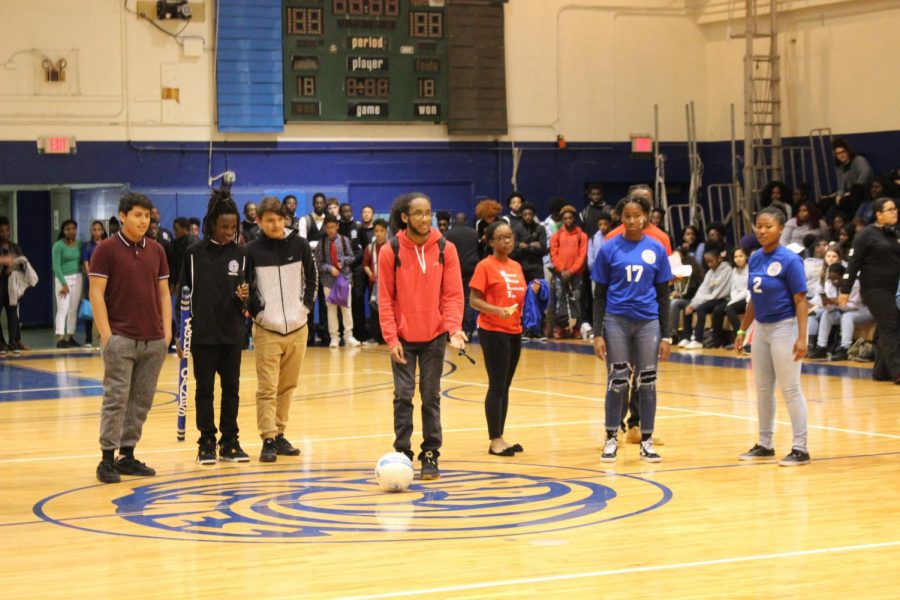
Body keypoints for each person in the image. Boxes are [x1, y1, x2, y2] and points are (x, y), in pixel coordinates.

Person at [378, 192, 466, 480]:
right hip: (403, 337)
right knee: (403, 396)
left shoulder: (445, 248)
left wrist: (453, 327)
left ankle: (431, 453)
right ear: (404, 217)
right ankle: (402, 453)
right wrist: (391, 339)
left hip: (434, 336)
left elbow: (453, 293)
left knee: (431, 397)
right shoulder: (390, 250)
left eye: (428, 212)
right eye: (418, 213)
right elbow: (386, 299)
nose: (425, 218)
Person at [89, 193, 171, 483]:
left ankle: (127, 455)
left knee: (141, 401)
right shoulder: (106, 249)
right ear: (123, 216)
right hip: (121, 338)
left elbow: (164, 293)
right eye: (138, 215)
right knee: (116, 399)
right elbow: (96, 293)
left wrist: (167, 333)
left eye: (147, 216)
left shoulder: (157, 250)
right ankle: (107, 459)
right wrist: (107, 336)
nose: (144, 221)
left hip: (154, 340)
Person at [592, 193, 672, 463]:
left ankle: (646, 440)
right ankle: (611, 437)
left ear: (645, 217)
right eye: (627, 216)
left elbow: (663, 296)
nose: (632, 220)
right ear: (621, 218)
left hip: (648, 323)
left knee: (647, 382)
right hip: (616, 321)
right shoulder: (609, 248)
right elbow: (599, 295)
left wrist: (667, 335)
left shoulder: (657, 248)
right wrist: (596, 333)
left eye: (637, 215)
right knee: (617, 381)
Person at [734, 206, 811, 466]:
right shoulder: (755, 258)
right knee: (763, 389)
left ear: (780, 229)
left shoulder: (790, 260)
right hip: (762, 330)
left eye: (769, 226)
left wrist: (802, 338)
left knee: (790, 388)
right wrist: (743, 329)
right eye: (759, 226)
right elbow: (754, 300)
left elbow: (801, 301)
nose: (763, 231)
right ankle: (765, 444)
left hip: (784, 327)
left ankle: (801, 449)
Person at [180, 191, 251, 464]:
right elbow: (184, 296)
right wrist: (180, 333)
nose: (229, 232)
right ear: (211, 224)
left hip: (232, 333)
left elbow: (250, 294)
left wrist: (247, 295)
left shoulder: (242, 253)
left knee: (231, 389)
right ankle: (206, 441)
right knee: (205, 390)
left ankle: (230, 441)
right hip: (203, 334)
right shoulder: (193, 254)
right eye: (224, 227)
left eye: (233, 227)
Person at [245, 196, 317, 461]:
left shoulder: (299, 245)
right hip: (267, 330)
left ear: (286, 219)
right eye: (269, 220)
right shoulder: (251, 250)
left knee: (287, 385)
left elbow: (313, 277)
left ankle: (280, 432)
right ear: (259, 221)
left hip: (298, 327)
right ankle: (267, 437)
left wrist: (305, 307)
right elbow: (245, 287)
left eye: (279, 219)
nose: (275, 224)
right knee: (267, 387)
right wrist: (258, 312)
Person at [469, 221, 528, 456]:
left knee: (505, 386)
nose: (507, 241)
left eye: (509, 237)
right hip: (493, 330)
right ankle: (495, 440)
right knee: (496, 386)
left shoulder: (516, 266)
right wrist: (496, 310)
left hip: (514, 330)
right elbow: (473, 300)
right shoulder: (485, 266)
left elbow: (518, 296)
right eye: (501, 238)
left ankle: (501, 436)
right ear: (491, 241)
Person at [839, 197, 900, 383]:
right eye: (889, 209)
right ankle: (897, 371)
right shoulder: (866, 234)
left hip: (893, 289)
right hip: (874, 289)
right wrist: (845, 289)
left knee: (886, 327)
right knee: (890, 326)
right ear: (878, 214)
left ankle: (881, 371)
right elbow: (853, 263)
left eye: (895, 208)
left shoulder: (894, 235)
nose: (894, 211)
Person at [316, 214, 361, 349]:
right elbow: (318, 263)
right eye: (328, 227)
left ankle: (348, 336)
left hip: (344, 279)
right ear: (325, 228)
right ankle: (334, 337)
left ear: (337, 226)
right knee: (331, 309)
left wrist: (343, 262)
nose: (330, 230)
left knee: (346, 308)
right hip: (329, 281)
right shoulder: (321, 243)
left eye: (333, 227)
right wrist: (330, 268)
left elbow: (352, 257)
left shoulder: (344, 240)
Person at [682, 248, 733, 349]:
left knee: (701, 308)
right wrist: (693, 304)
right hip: (710, 299)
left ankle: (698, 339)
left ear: (719, 259)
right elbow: (702, 290)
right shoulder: (709, 273)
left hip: (722, 298)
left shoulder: (727, 270)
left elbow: (719, 292)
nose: (709, 264)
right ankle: (686, 337)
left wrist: (699, 303)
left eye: (711, 261)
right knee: (687, 308)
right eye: (707, 262)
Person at [550, 205, 588, 339]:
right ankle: (560, 327)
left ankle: (576, 328)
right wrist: (562, 270)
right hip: (561, 274)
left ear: (574, 218)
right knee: (560, 301)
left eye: (570, 217)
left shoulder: (582, 236)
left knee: (576, 301)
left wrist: (571, 271)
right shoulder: (556, 236)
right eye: (565, 218)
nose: (568, 220)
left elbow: (582, 256)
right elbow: (553, 255)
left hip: (576, 274)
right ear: (562, 219)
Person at [298, 192, 329, 346]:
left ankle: (325, 336)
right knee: (309, 299)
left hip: (326, 266)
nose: (319, 205)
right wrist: (322, 245)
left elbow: (331, 242)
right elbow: (303, 243)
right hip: (309, 265)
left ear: (325, 204)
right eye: (316, 203)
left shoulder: (329, 220)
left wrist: (314, 244)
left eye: (321, 203)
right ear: (312, 204)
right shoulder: (305, 220)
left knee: (326, 302)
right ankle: (308, 336)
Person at [443, 212, 480, 339]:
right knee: (468, 300)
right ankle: (468, 330)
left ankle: (452, 329)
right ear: (466, 220)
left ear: (454, 221)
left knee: (452, 299)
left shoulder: (448, 234)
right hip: (471, 269)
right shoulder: (474, 233)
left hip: (454, 269)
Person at [338, 202, 368, 342]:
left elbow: (364, 249)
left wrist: (353, 261)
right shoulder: (337, 227)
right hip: (342, 269)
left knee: (358, 300)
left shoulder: (358, 226)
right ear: (340, 212)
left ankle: (360, 334)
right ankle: (346, 335)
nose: (347, 213)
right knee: (343, 302)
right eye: (344, 211)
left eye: (349, 211)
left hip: (357, 269)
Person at [52, 219, 82, 348]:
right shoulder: (58, 246)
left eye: (73, 228)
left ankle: (70, 336)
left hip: (77, 278)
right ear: (63, 231)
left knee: (73, 309)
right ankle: (60, 337)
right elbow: (56, 267)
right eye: (68, 229)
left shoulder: (80, 244)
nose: (71, 231)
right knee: (62, 309)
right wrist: (64, 284)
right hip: (62, 279)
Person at [0, 217, 29, 353]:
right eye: (2, 231)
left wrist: (14, 266)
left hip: (11, 283)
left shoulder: (14, 246)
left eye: (7, 230)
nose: (5, 233)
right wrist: (3, 261)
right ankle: (1, 343)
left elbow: (23, 262)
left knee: (13, 313)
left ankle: (14, 342)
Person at [830, 138, 874, 218]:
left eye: (843, 152)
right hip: (847, 193)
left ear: (848, 151)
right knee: (825, 202)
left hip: (861, 190)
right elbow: (840, 186)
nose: (841, 155)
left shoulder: (858, 160)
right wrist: (839, 195)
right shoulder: (839, 167)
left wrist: (852, 191)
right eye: (838, 153)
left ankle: (853, 220)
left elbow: (865, 173)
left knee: (846, 200)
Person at [81, 220, 107, 348]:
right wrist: (92, 279)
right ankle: (88, 338)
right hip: (91, 282)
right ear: (91, 231)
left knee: (106, 309)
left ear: (102, 231)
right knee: (89, 309)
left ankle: (104, 335)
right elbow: (86, 264)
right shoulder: (86, 246)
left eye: (99, 229)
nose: (97, 232)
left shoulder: (108, 245)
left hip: (107, 282)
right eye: (94, 229)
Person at [362, 218, 389, 344]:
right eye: (376, 231)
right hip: (374, 285)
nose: (379, 233)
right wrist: (371, 274)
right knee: (374, 311)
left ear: (386, 232)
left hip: (389, 285)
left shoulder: (392, 246)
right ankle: (374, 337)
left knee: (388, 311)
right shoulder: (370, 247)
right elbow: (365, 264)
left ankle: (388, 337)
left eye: (381, 231)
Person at [511, 202, 548, 285]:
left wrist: (526, 246)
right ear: (521, 215)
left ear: (534, 215)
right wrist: (530, 246)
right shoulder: (517, 229)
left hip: (536, 267)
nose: (528, 217)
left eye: (530, 214)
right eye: (525, 214)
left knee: (538, 292)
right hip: (521, 267)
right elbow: (513, 251)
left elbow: (544, 250)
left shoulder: (540, 228)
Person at [722, 246, 750, 349]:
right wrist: (733, 299)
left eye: (741, 256)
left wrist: (733, 301)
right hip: (736, 298)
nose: (738, 259)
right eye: (735, 257)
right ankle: (722, 341)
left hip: (748, 298)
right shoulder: (734, 271)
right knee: (721, 309)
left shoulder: (750, 268)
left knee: (730, 308)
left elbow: (747, 289)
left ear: (746, 256)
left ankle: (740, 337)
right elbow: (733, 288)